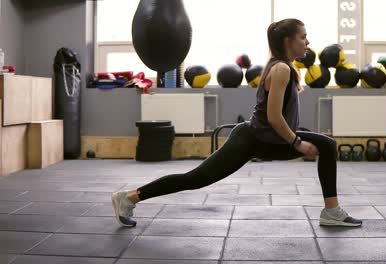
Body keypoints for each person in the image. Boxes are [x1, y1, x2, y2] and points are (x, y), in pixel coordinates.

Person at [112, 18, 362, 228]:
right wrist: (297, 142)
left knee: (327, 145)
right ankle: (130, 197)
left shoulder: (283, 67)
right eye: (303, 37)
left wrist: (297, 139)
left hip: (266, 139)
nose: (308, 42)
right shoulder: (281, 69)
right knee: (195, 178)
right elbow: (274, 117)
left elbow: (277, 118)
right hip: (251, 139)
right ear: (288, 42)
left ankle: (331, 211)